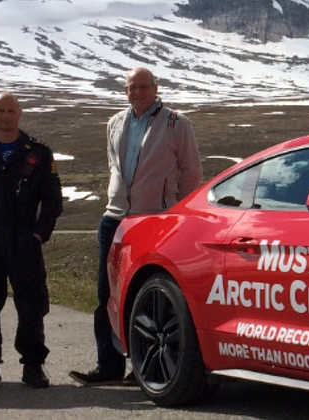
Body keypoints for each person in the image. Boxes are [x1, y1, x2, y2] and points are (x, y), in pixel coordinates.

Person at [69, 67, 203, 385]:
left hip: (154, 219)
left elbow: (192, 172)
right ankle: (108, 364)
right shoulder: (115, 123)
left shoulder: (176, 123)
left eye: (143, 87)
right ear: (125, 91)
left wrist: (174, 212)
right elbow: (114, 165)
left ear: (156, 89)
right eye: (132, 88)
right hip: (115, 218)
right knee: (107, 295)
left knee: (147, 293)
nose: (138, 93)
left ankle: (142, 367)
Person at [0, 92, 63, 391]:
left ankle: (33, 365)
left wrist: (39, 233)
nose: (6, 116)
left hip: (23, 239)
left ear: (19, 113)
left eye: (11, 110)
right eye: (0, 111)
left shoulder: (38, 153)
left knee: (31, 304)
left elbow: (52, 201)